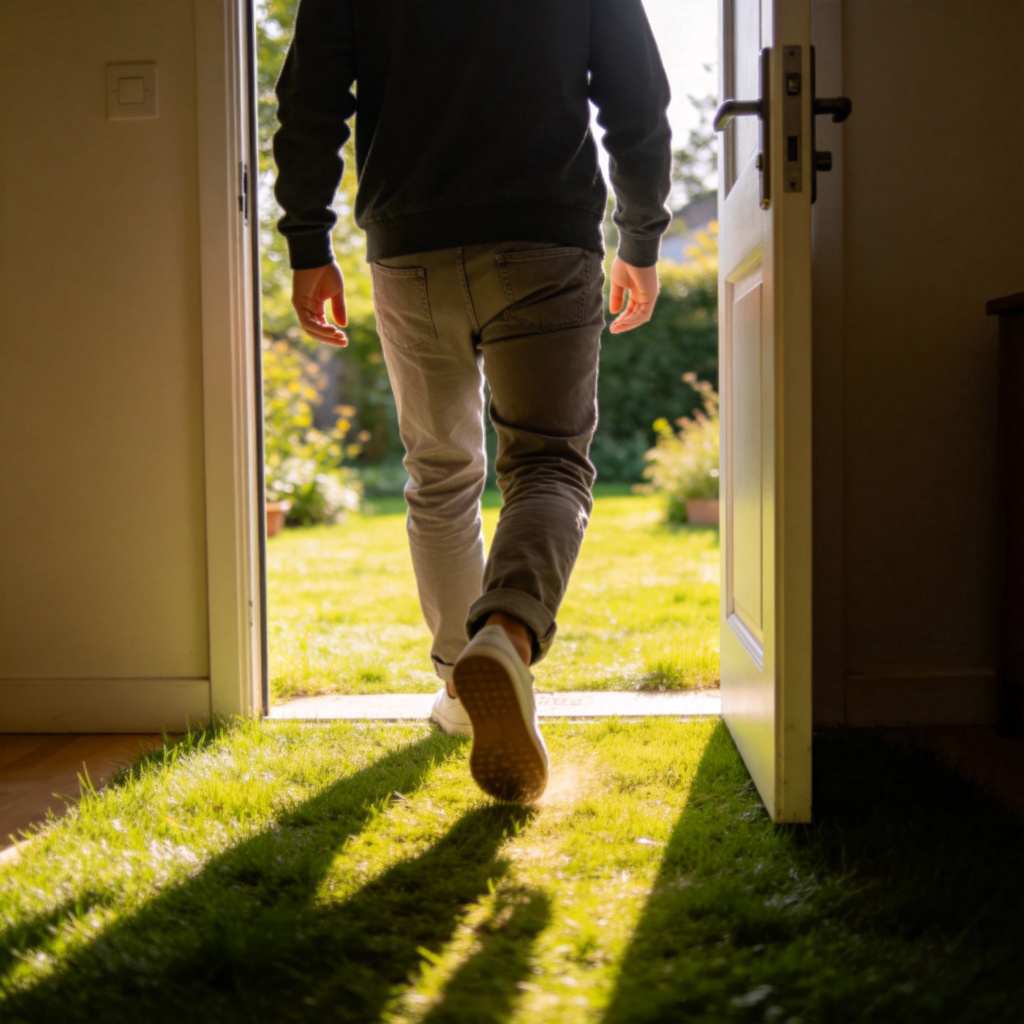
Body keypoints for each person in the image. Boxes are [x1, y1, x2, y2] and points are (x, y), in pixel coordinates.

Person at [274, 0, 671, 803]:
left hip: (409, 245)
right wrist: (641, 236)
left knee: (441, 474)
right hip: (543, 234)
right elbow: (635, 94)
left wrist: (309, 243)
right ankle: (506, 634)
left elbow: (311, 100)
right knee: (549, 464)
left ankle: (462, 687)